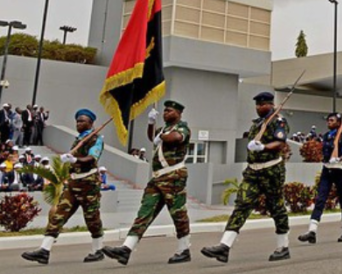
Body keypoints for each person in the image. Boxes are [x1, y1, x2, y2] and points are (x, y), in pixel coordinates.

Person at [202, 92, 290, 263]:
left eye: (262, 104)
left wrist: (263, 147)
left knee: (276, 208)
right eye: (257, 105)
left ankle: (283, 246)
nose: (258, 108)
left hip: (271, 171)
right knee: (242, 205)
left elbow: (280, 143)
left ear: (271, 104)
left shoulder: (278, 121)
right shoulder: (257, 124)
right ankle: (224, 246)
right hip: (253, 172)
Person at [103, 101, 191, 265]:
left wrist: (161, 137)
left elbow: (177, 138)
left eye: (169, 111)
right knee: (144, 212)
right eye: (164, 111)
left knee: (178, 214)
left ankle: (184, 249)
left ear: (178, 113)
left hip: (173, 176)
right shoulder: (163, 130)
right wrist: (151, 124)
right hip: (157, 178)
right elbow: (153, 137)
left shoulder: (182, 127)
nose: (165, 113)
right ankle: (126, 249)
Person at [23, 109, 106, 265]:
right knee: (58, 215)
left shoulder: (96, 139)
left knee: (92, 218)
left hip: (88, 183)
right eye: (77, 121)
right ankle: (44, 250)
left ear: (90, 123)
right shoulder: (79, 138)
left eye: (82, 121)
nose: (78, 123)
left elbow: (91, 158)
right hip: (73, 183)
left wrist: (74, 160)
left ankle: (98, 249)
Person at [298, 112, 342, 244]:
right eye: (328, 120)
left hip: (339, 169)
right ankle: (312, 231)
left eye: (332, 120)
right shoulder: (327, 136)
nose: (329, 122)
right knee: (320, 199)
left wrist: (338, 158)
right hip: (327, 169)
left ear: (339, 123)